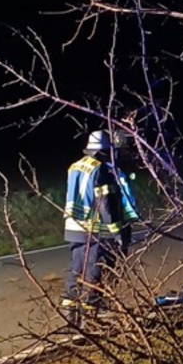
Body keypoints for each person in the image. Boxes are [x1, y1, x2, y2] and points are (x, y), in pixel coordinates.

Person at [62, 130, 140, 313]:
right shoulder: (102, 169)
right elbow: (106, 205)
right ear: (105, 150)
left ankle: (70, 313)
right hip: (94, 230)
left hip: (74, 227)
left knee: (76, 271)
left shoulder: (76, 166)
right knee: (93, 273)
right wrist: (118, 233)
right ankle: (91, 314)